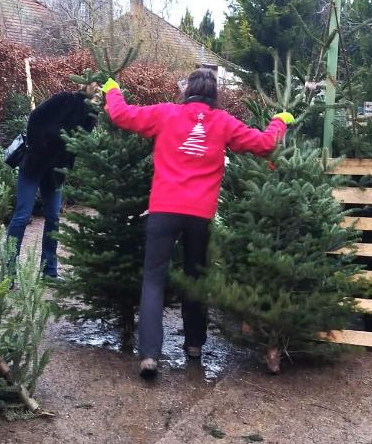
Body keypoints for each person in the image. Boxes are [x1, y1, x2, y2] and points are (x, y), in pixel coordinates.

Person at [100, 69, 294, 379]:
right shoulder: (224, 123)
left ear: (186, 90)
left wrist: (112, 89)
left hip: (163, 210)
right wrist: (280, 120)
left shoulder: (165, 113)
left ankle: (149, 356)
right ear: (214, 94)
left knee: (153, 280)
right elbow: (264, 144)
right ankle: (194, 346)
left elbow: (121, 115)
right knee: (195, 276)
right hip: (200, 215)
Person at [6, 87, 97, 278]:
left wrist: (93, 113)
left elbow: (82, 138)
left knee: (54, 217)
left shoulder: (91, 112)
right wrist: (40, 147)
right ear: (87, 85)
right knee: (22, 216)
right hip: (34, 164)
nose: (98, 91)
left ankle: (49, 271)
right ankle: (8, 272)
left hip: (55, 171)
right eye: (96, 86)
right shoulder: (65, 99)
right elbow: (35, 117)